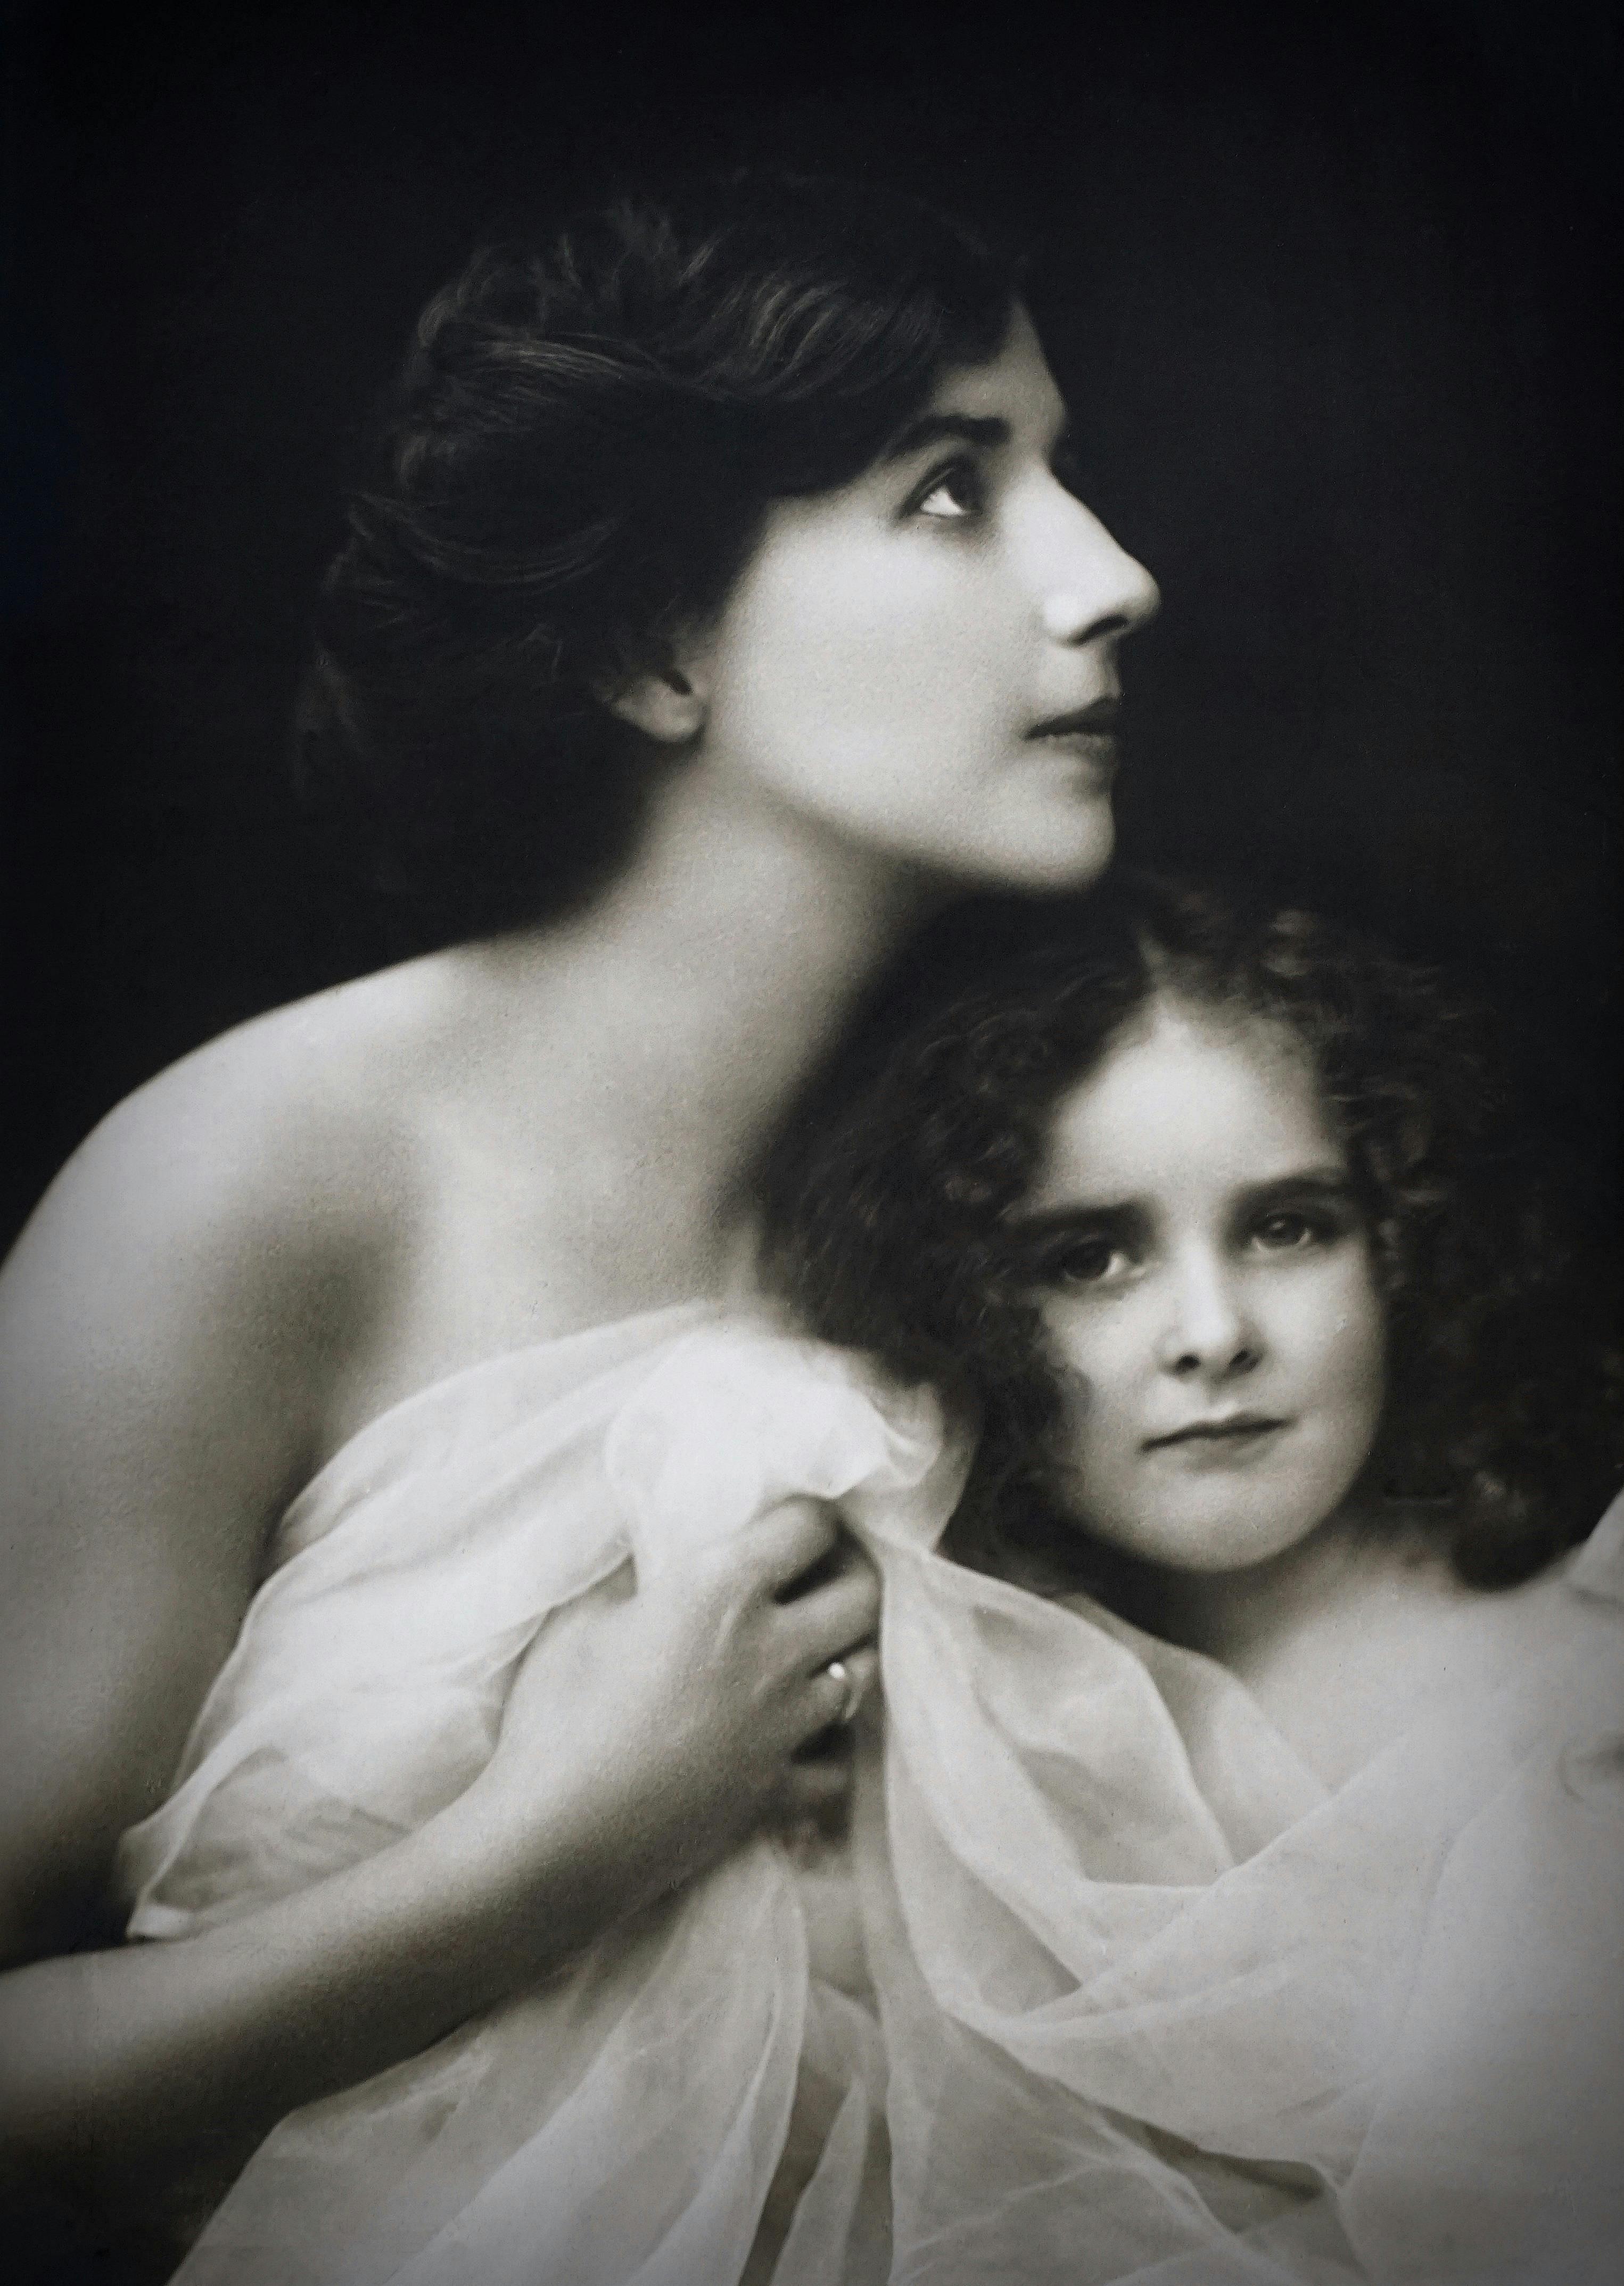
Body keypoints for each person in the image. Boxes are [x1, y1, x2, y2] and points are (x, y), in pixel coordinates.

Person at [0, 169, 1159, 2277]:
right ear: (654, 644)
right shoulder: (257, 1188)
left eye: (1061, 476)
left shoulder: (1032, 1178)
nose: (1112, 580)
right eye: (947, 494)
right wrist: (553, 1848)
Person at [773, 873, 1624, 2283]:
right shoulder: (940, 1754)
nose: (1211, 1333)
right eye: (1090, 1257)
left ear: (1403, 1243)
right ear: (955, 1300)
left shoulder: (1592, 1684)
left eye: (1288, 1226)